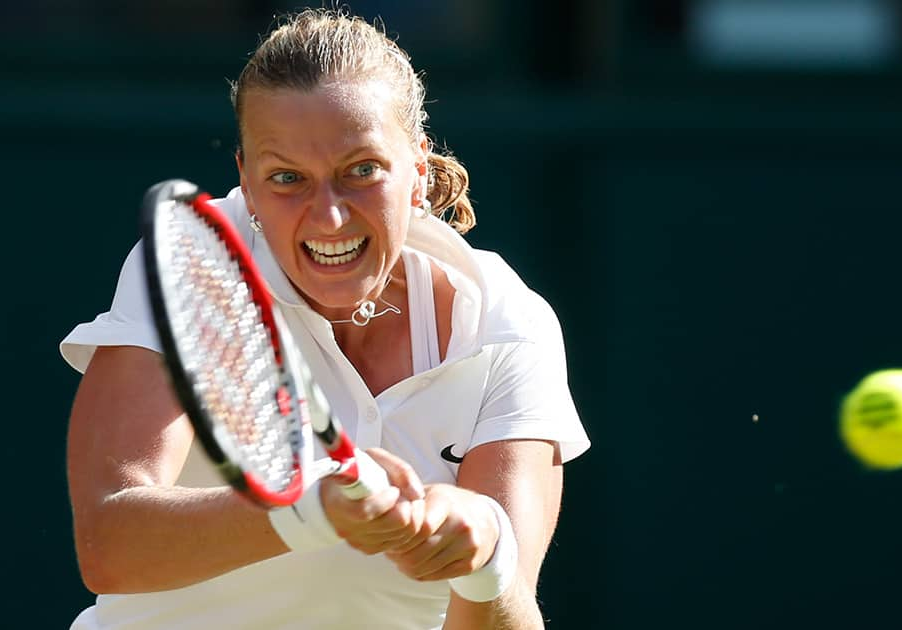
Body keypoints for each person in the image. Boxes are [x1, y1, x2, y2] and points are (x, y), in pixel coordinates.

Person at [61, 8, 590, 630]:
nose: (328, 217)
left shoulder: (508, 324)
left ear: (418, 170)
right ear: (246, 183)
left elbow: (507, 613)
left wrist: (487, 556)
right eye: (287, 178)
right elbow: (110, 544)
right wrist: (310, 509)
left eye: (360, 171)